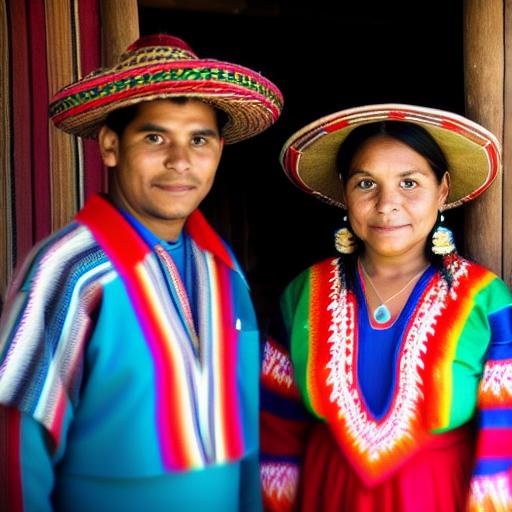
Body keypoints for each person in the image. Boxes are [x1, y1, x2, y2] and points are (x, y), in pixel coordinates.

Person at [0, 33, 282, 511]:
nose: (180, 161)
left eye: (199, 139)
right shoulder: (69, 271)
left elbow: (245, 430)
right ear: (111, 146)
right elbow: (15, 447)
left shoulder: (224, 268)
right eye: (155, 137)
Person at [260, 104, 512, 511]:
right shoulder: (303, 294)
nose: (386, 203)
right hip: (327, 495)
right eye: (365, 184)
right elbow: (277, 431)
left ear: (442, 189)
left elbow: (504, 444)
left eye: (409, 183)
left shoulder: (487, 301)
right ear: (345, 191)